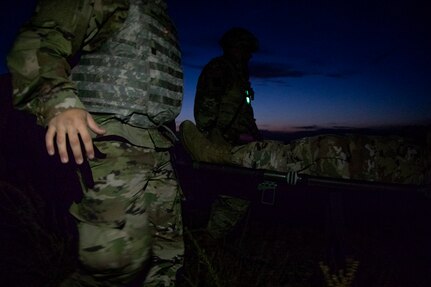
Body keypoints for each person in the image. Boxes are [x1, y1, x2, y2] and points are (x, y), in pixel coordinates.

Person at [7, 0, 184, 286]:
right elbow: (37, 43)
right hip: (108, 141)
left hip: (158, 145)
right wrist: (60, 104)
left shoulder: (159, 12)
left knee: (166, 258)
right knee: (111, 267)